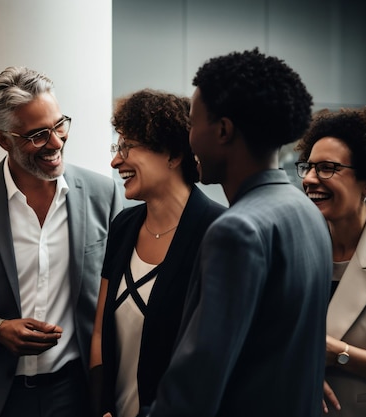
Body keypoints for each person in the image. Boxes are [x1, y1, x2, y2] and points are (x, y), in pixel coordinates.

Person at [143, 48, 333, 417]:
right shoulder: (306, 214)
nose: (189, 138)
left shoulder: (237, 230)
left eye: (192, 123)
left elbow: (196, 384)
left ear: (223, 130)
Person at [0, 66, 123, 417]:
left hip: (76, 392)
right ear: (5, 139)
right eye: (38, 134)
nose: (56, 142)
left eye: (60, 124)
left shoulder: (102, 194)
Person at [88, 89, 225, 417]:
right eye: (115, 147)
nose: (115, 160)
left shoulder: (218, 232)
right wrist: (100, 406)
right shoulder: (123, 226)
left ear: (173, 155)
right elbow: (98, 333)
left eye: (126, 147)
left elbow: (215, 357)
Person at [294, 107, 366, 416]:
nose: (311, 179)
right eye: (309, 167)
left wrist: (338, 354)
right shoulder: (295, 246)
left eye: (328, 168)